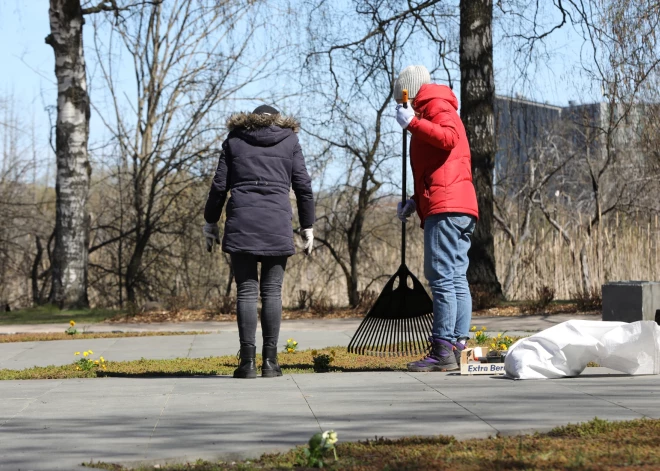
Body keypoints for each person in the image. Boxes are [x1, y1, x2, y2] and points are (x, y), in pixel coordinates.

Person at [202, 104, 315, 379]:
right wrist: (308, 226)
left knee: (247, 292)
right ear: (276, 120)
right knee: (272, 292)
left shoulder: (235, 140)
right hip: (276, 223)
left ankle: (247, 363)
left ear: (251, 119)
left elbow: (219, 186)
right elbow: (303, 186)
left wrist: (210, 221)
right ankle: (271, 362)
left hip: (242, 222)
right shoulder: (289, 140)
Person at [393, 65, 479, 372]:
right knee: (455, 277)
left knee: (442, 276)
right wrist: (416, 202)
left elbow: (449, 138)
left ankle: (442, 348)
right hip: (458, 204)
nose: (401, 108)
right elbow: (442, 167)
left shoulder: (434, 106)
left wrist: (414, 123)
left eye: (402, 101)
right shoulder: (438, 105)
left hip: (447, 209)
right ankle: (458, 347)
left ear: (410, 93)